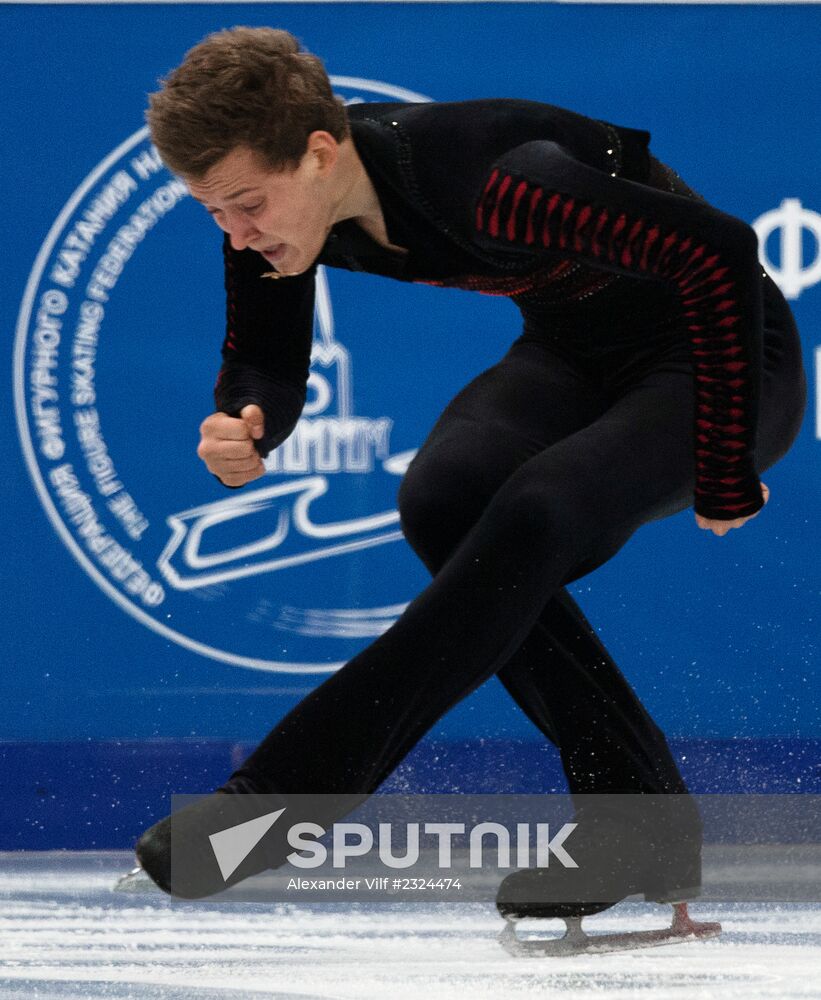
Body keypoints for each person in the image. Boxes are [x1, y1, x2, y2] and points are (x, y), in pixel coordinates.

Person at [135, 27, 807, 917]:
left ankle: (279, 799)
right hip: (574, 354)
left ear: (320, 154)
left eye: (245, 205)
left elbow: (718, 255)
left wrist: (724, 461)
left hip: (725, 362)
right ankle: (635, 820)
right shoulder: (273, 215)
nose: (234, 232)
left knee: (538, 507)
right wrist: (248, 421)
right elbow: (265, 360)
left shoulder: (499, 185)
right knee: (442, 498)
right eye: (213, 211)